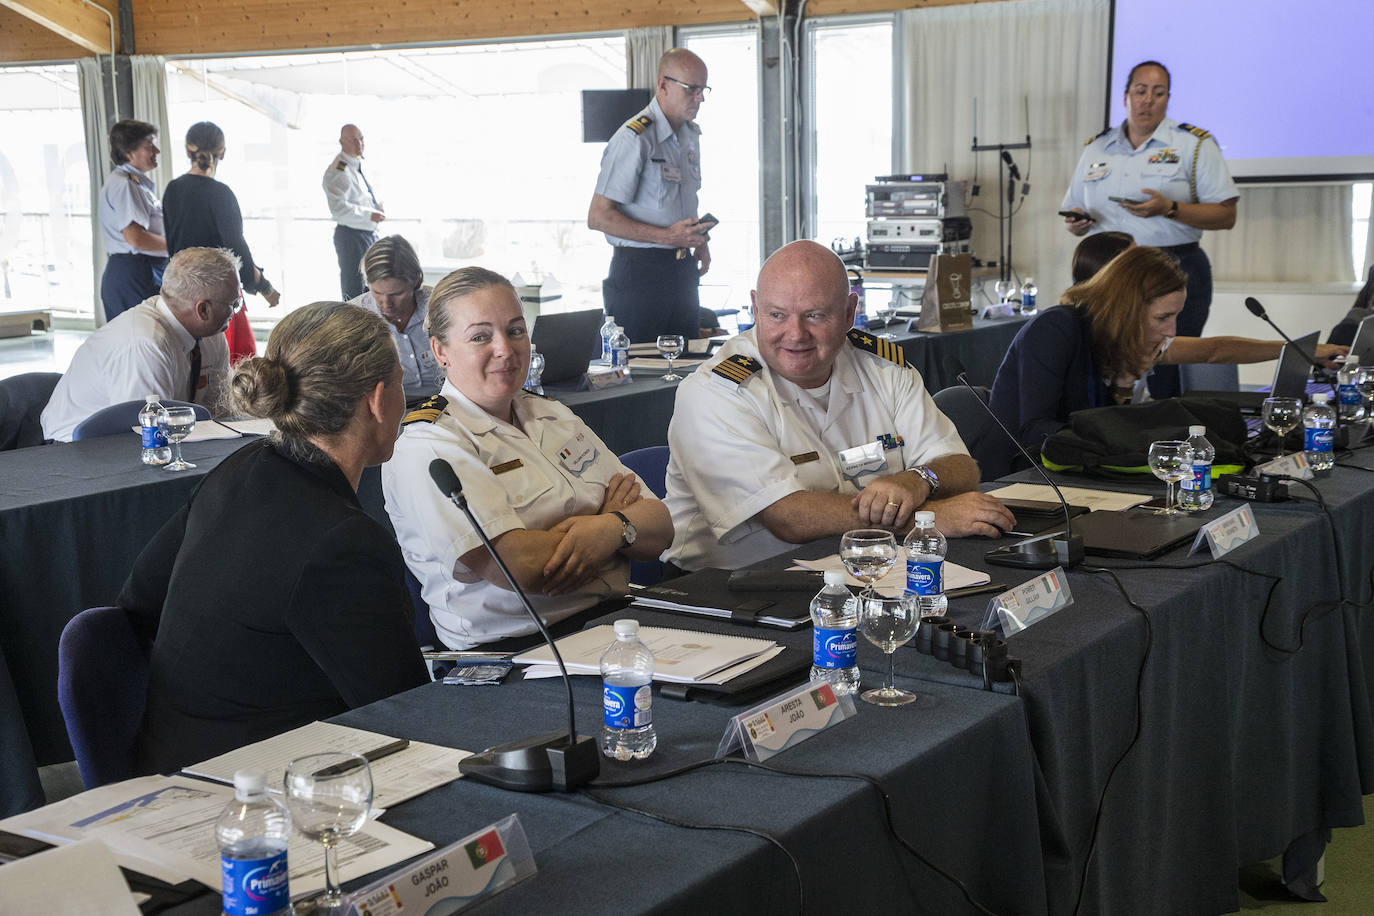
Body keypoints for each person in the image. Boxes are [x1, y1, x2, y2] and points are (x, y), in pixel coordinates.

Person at [119, 301, 427, 774]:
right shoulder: (344, 541)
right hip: (253, 788)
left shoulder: (240, 467)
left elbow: (139, 599)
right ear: (378, 399)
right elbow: (407, 711)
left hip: (167, 755)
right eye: (404, 384)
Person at [663, 240, 1014, 572]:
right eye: (776, 315)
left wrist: (918, 479)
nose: (796, 334)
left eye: (814, 315)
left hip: (856, 566)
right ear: (755, 308)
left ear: (849, 313)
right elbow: (789, 518)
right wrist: (926, 520)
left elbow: (960, 466)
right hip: (726, 587)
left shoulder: (882, 367)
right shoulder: (717, 391)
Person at [383, 267, 673, 649]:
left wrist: (605, 530)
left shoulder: (551, 415)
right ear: (440, 351)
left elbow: (660, 527)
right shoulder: (431, 445)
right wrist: (616, 525)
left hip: (612, 624)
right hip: (514, 652)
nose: (505, 348)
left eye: (516, 330)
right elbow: (523, 568)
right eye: (480, 337)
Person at [989, 246, 1347, 458]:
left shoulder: (1128, 337)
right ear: (1127, 308)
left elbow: (1213, 350)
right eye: (1163, 317)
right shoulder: (1056, 329)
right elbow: (1034, 433)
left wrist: (1300, 350)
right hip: (1023, 477)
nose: (1172, 330)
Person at [1061, 60, 1240, 400]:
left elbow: (1226, 214)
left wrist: (1170, 209)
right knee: (1100, 362)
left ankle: (1169, 440)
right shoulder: (1097, 147)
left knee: (1167, 367)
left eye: (1157, 94)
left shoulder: (1193, 144)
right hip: (1107, 271)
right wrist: (1076, 221)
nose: (1147, 101)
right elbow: (1074, 213)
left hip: (1171, 268)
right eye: (1140, 92)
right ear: (1125, 97)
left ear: (1168, 99)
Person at [41, 247, 239, 442]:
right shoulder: (145, 345)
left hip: (147, 443)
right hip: (75, 450)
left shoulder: (211, 333)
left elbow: (221, 410)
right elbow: (147, 436)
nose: (234, 312)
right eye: (233, 304)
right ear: (203, 310)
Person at [588, 48, 712, 343]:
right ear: (663, 85)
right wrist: (667, 237)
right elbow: (598, 217)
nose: (701, 98)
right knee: (642, 371)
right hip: (640, 273)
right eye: (691, 89)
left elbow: (678, 205)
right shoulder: (634, 138)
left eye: (703, 89)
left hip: (681, 269)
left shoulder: (689, 136)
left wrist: (698, 240)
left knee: (685, 366)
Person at [163, 121, 280, 362]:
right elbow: (236, 251)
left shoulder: (172, 189)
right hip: (217, 298)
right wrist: (264, 287)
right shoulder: (221, 193)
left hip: (181, 296)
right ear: (223, 153)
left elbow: (172, 245)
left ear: (188, 152)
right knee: (228, 368)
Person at [348, 235, 441, 392]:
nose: (386, 303)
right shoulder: (354, 316)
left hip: (447, 403)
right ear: (367, 284)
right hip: (388, 408)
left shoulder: (440, 306)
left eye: (397, 293)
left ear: (416, 282)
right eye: (377, 292)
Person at [97, 119, 168, 321]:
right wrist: (177, 246)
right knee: (140, 340)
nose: (157, 151)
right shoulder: (125, 185)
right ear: (129, 152)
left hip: (140, 269)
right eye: (149, 146)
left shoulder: (135, 183)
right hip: (134, 272)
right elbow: (135, 238)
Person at [324, 123, 385, 300]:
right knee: (355, 289)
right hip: (352, 236)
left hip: (367, 234)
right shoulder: (338, 170)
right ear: (341, 142)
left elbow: (358, 196)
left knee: (372, 287)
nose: (359, 144)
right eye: (353, 140)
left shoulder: (356, 164)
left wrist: (376, 208)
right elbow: (339, 209)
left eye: (361, 139)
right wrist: (369, 215)